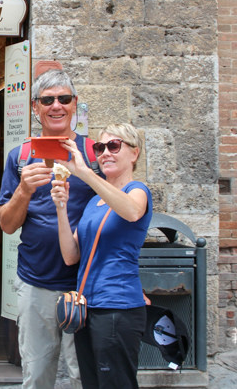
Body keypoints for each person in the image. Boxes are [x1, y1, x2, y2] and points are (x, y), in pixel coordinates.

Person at [0, 69, 100, 389]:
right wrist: (23, 190)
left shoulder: (96, 154)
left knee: (83, 375)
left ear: (74, 104)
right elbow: (7, 224)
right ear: (35, 107)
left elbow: (120, 213)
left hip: (86, 285)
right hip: (36, 282)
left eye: (64, 98)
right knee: (37, 374)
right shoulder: (21, 156)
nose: (56, 106)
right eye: (47, 100)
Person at [52, 123, 151, 389]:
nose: (105, 152)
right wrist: (61, 209)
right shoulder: (94, 202)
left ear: (134, 153)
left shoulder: (137, 190)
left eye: (114, 146)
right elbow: (71, 256)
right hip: (88, 309)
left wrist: (84, 173)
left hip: (118, 307)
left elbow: (131, 212)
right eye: (100, 147)